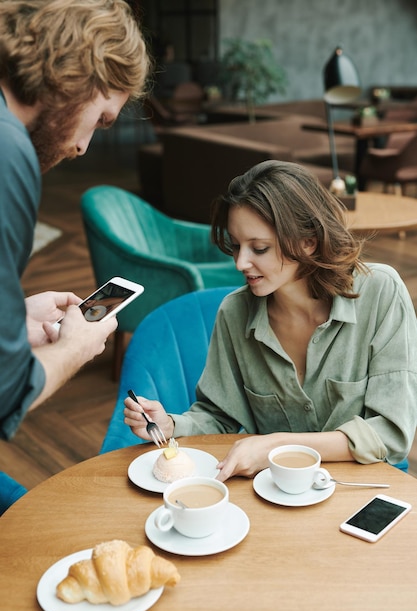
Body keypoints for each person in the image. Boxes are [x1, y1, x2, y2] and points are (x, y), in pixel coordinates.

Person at [124, 160, 417, 481]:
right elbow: (218, 415)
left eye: (259, 248)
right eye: (236, 246)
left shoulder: (380, 293)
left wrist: (277, 445)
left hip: (359, 489)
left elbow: (391, 434)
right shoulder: (234, 313)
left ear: (308, 241)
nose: (240, 262)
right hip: (271, 494)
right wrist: (171, 425)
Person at [0, 0, 150, 442]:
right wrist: (75, 348)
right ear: (80, 73)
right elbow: (8, 393)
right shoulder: (9, 152)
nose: (83, 147)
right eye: (101, 119)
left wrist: (11, 319)